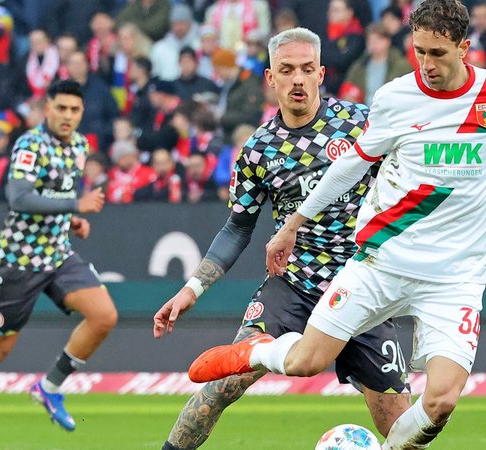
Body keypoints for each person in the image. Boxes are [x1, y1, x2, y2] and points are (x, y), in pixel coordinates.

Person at [185, 2, 486, 449]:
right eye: (419, 52)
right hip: (383, 262)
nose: (427, 65)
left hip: (454, 279)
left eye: (438, 53)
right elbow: (350, 166)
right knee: (304, 362)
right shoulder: (396, 97)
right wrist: (293, 222)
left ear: (464, 48)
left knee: (441, 401)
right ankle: (251, 351)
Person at [152, 27, 415, 450]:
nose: (298, 79)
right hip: (292, 285)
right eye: (287, 70)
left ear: (321, 74)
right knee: (224, 384)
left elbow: (414, 178)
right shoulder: (258, 149)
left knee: (401, 426)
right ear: (271, 78)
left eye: (307, 69)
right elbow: (238, 227)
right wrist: (192, 288)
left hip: (360, 286)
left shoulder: (361, 124)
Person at [0, 80, 117, 450]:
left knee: (104, 316)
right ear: (46, 108)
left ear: (81, 113)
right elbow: (19, 197)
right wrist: (75, 207)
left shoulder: (80, 147)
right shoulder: (30, 144)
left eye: (74, 110)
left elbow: (57, 197)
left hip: (58, 253)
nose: (67, 116)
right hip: (18, 260)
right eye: (61, 108)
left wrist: (71, 221)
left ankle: (49, 387)